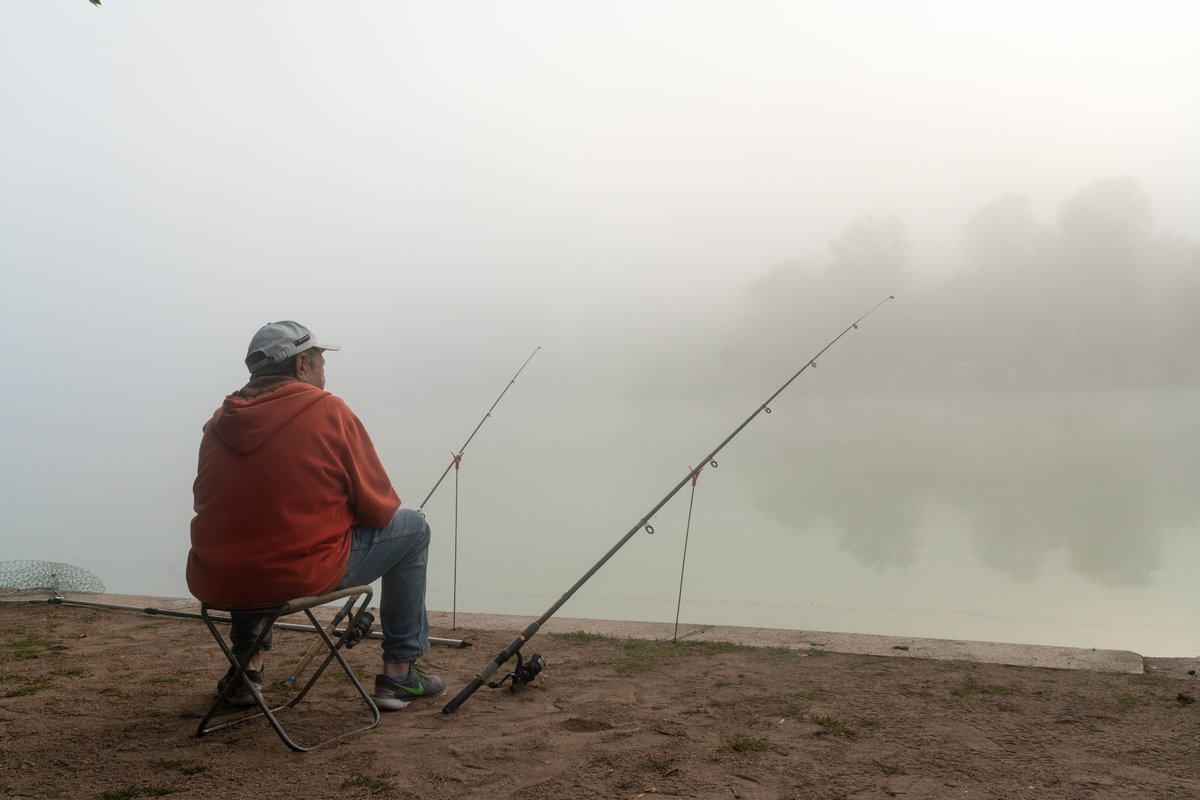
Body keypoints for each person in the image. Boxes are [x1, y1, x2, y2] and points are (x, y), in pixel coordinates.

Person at [186, 320, 445, 711]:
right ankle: (399, 675)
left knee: (251, 533)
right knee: (414, 528)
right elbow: (379, 509)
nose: (325, 372)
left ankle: (246, 671)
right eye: (321, 362)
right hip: (300, 574)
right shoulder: (328, 410)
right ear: (300, 365)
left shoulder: (217, 424)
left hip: (219, 577)